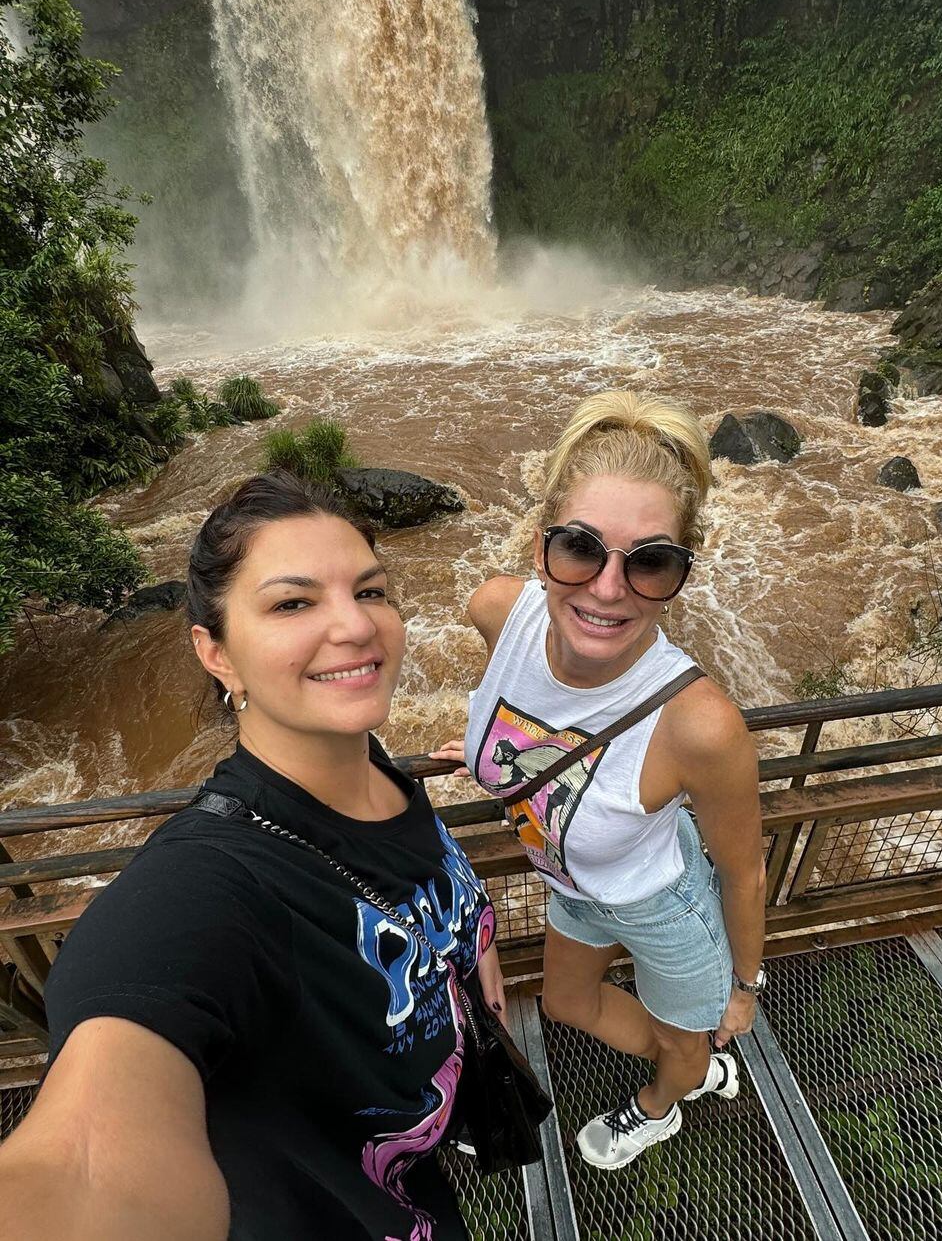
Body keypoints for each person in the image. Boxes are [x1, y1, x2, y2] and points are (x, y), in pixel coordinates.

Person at [0, 471, 504, 1241]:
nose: (357, 625)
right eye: (293, 602)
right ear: (216, 651)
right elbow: (86, 1161)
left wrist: (476, 978)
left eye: (371, 591)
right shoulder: (205, 887)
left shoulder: (376, 771)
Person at [434, 391, 764, 1171]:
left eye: (650, 561)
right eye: (581, 547)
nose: (609, 588)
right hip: (576, 880)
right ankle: (691, 1058)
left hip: (663, 899)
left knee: (688, 1041)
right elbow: (530, 713)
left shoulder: (698, 725)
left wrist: (743, 988)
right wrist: (487, 748)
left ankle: (662, 1101)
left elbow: (744, 868)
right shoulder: (495, 610)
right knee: (566, 1003)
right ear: (543, 536)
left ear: (682, 569)